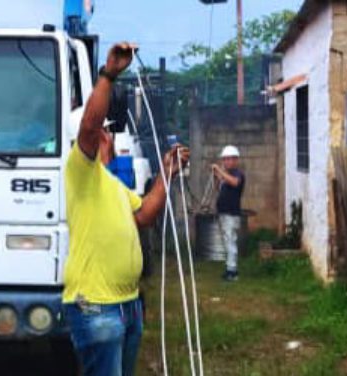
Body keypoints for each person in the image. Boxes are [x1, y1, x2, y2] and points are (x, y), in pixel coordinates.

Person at [62, 42, 189, 376]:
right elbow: (89, 127)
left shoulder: (112, 184)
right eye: (106, 133)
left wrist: (166, 174)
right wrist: (109, 74)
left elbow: (145, 215)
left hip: (126, 304)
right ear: (93, 139)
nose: (110, 138)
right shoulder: (81, 173)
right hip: (97, 307)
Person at [212, 145, 245, 282]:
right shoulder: (226, 176)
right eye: (226, 159)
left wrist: (220, 170)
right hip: (224, 213)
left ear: (236, 160)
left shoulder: (238, 175)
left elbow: (235, 183)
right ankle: (229, 268)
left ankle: (233, 271)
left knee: (231, 242)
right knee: (228, 242)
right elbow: (216, 187)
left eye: (231, 159)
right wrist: (216, 176)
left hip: (232, 214)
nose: (229, 162)